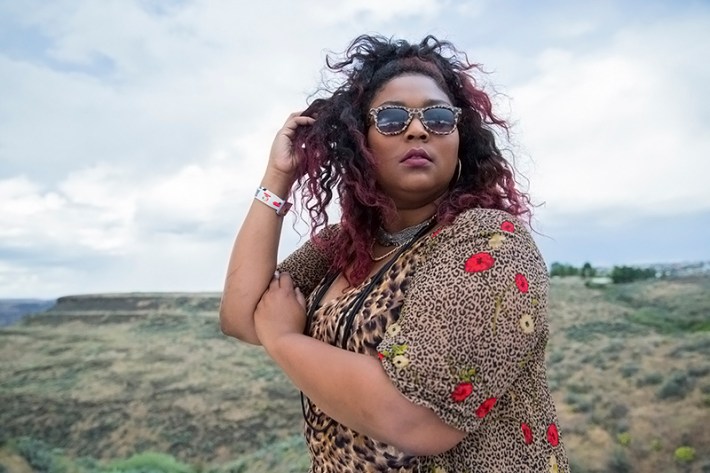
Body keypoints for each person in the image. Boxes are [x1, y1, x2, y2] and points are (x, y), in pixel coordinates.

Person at [220, 34, 570, 473]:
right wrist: (277, 176)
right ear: (360, 141)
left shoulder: (490, 240)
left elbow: (417, 420)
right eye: (391, 118)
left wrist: (284, 339)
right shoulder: (343, 244)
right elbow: (240, 315)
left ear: (460, 138)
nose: (418, 129)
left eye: (439, 117)